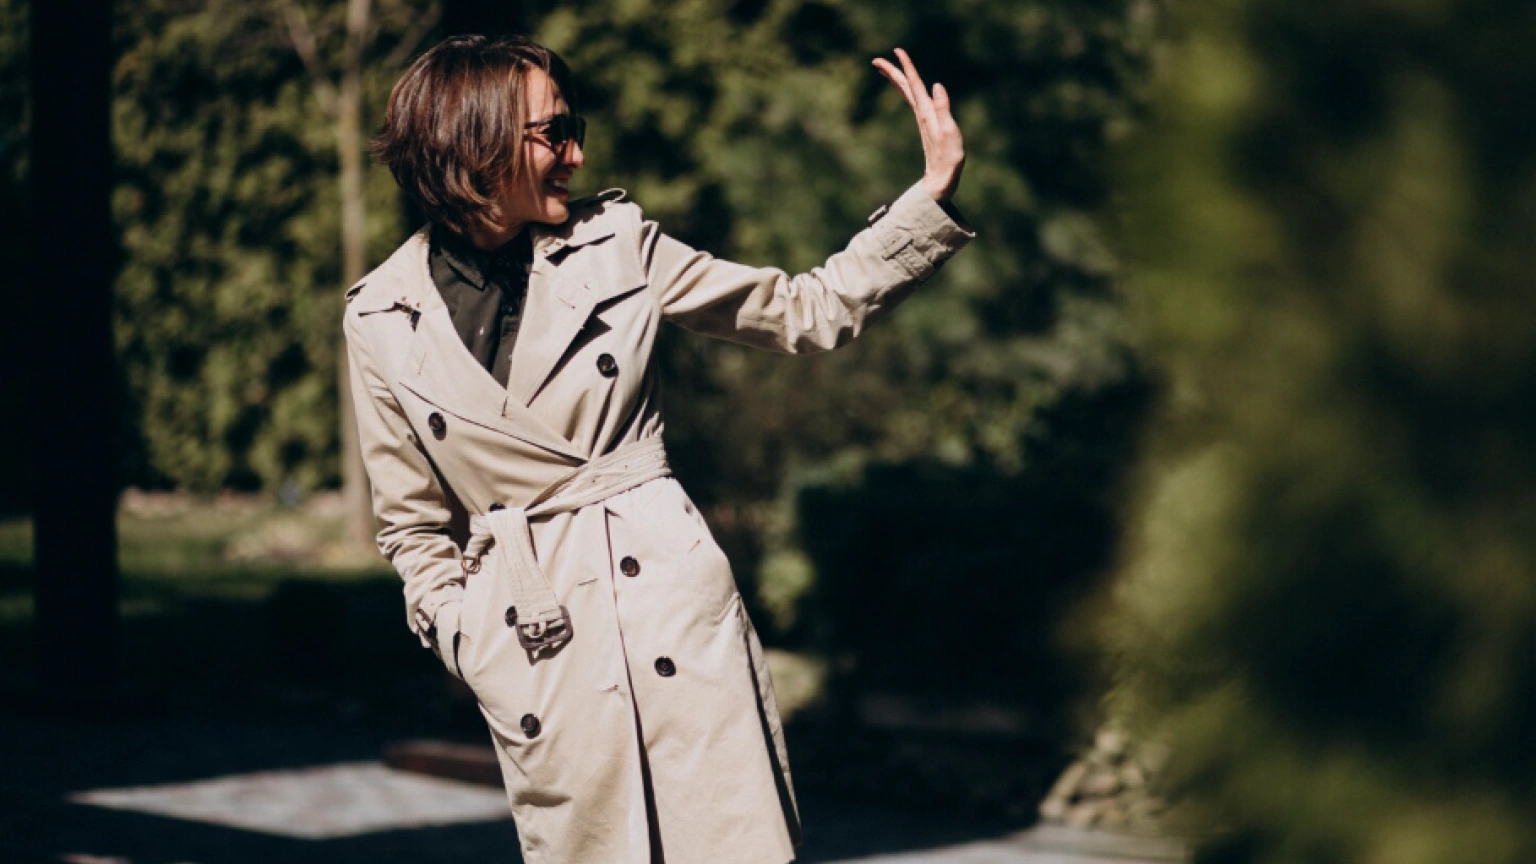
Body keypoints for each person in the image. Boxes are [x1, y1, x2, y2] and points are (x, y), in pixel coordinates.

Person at [345, 33, 972, 864]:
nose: (576, 153)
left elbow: (804, 311)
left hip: (670, 606)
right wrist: (466, 634)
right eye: (554, 132)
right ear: (476, 139)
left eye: (575, 127)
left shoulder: (616, 247)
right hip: (540, 643)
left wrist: (927, 197)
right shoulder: (381, 316)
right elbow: (412, 525)